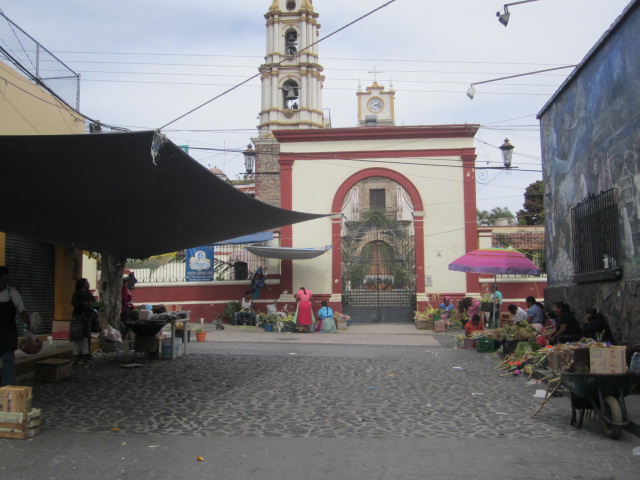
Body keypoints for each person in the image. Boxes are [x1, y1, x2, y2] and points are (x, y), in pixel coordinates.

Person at [0, 266, 31, 386]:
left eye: (6, 278)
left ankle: (9, 394)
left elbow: (21, 311)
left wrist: (29, 326)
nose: (4, 280)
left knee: (8, 364)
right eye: (2, 278)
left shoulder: (12, 292)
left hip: (8, 334)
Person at [70, 278, 96, 365]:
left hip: (88, 316)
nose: (88, 283)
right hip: (78, 316)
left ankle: (86, 354)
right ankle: (78, 356)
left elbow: (94, 303)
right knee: (78, 335)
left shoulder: (88, 293)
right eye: (86, 282)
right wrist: (83, 304)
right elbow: (73, 302)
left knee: (87, 335)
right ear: (83, 284)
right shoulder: (77, 292)